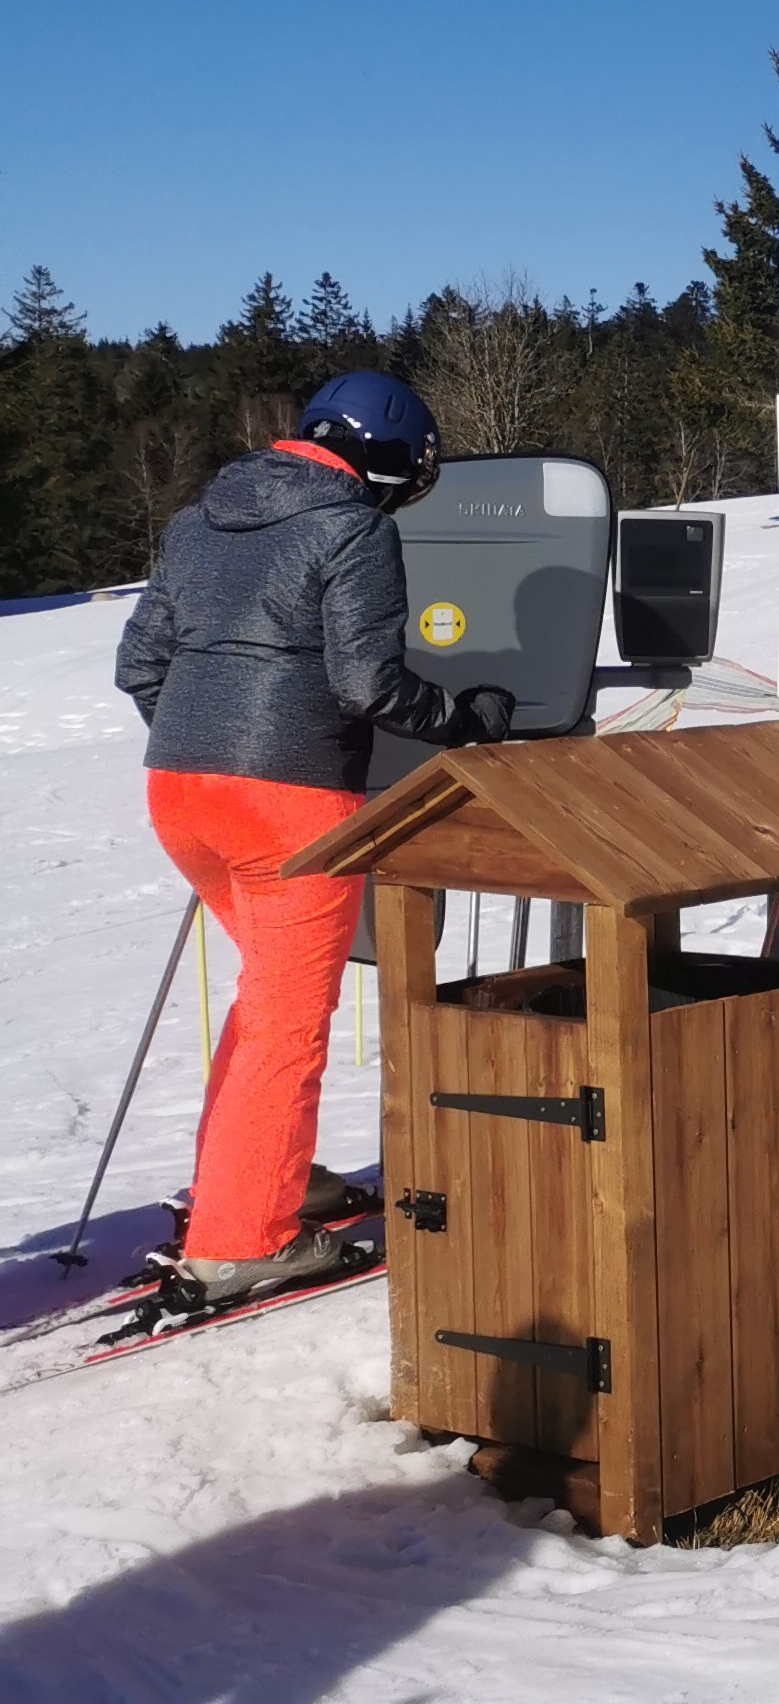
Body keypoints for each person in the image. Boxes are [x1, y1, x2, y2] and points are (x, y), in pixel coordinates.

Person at [115, 372, 517, 1307]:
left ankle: (267, 1178)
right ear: (383, 459)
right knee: (288, 1022)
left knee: (268, 1001)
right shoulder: (352, 527)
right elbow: (369, 683)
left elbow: (140, 666)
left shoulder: (197, 520)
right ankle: (242, 1238)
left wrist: (206, 749)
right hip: (291, 804)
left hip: (179, 793)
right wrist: (469, 716)